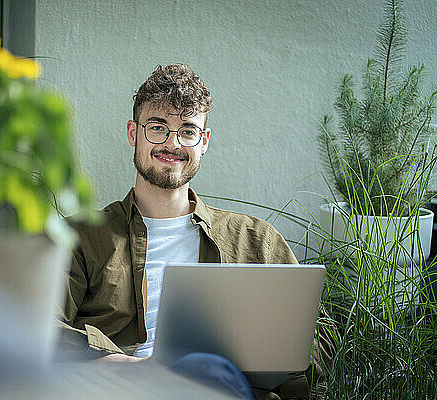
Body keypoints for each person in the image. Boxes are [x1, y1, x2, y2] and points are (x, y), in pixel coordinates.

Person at [60, 64, 333, 400]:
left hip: (220, 387)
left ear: (204, 142)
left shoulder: (256, 239)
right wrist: (134, 367)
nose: (172, 144)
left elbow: (313, 341)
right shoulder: (82, 236)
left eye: (187, 131)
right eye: (158, 127)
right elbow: (37, 326)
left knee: (208, 371)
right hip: (120, 388)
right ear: (133, 133)